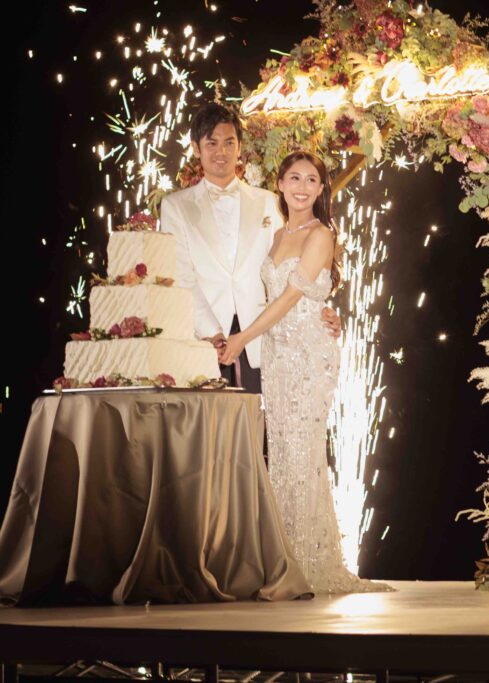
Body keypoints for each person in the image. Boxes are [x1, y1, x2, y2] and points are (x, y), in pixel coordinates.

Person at [219, 151, 391, 594]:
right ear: (279, 183)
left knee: (302, 454)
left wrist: (241, 340)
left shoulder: (321, 234)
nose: (301, 186)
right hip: (277, 357)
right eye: (294, 177)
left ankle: (306, 567)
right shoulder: (276, 236)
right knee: (283, 455)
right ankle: (286, 561)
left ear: (320, 189)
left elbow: (291, 298)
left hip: (310, 357)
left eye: (311, 180)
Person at [159, 103, 341, 392]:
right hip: (203, 339)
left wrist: (322, 310)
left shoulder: (269, 201)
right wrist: (215, 334)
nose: (221, 152)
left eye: (229, 142)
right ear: (196, 148)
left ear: (240, 146)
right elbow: (181, 276)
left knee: (262, 431)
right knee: (210, 432)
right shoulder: (174, 207)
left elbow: (295, 265)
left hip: (264, 338)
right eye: (212, 143)